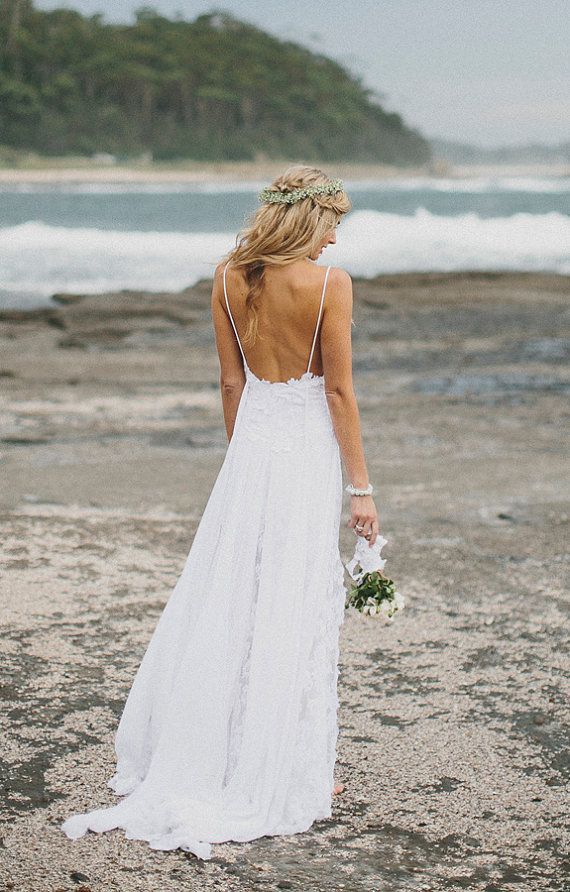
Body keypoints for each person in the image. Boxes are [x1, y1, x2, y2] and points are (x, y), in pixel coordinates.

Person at [61, 164, 379, 860]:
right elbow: (339, 395)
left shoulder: (229, 276)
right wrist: (361, 488)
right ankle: (286, 774)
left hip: (252, 455)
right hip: (302, 458)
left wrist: (243, 459)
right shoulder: (330, 283)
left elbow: (231, 381)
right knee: (289, 605)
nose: (333, 239)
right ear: (308, 219)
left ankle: (223, 754)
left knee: (233, 599)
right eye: (331, 223)